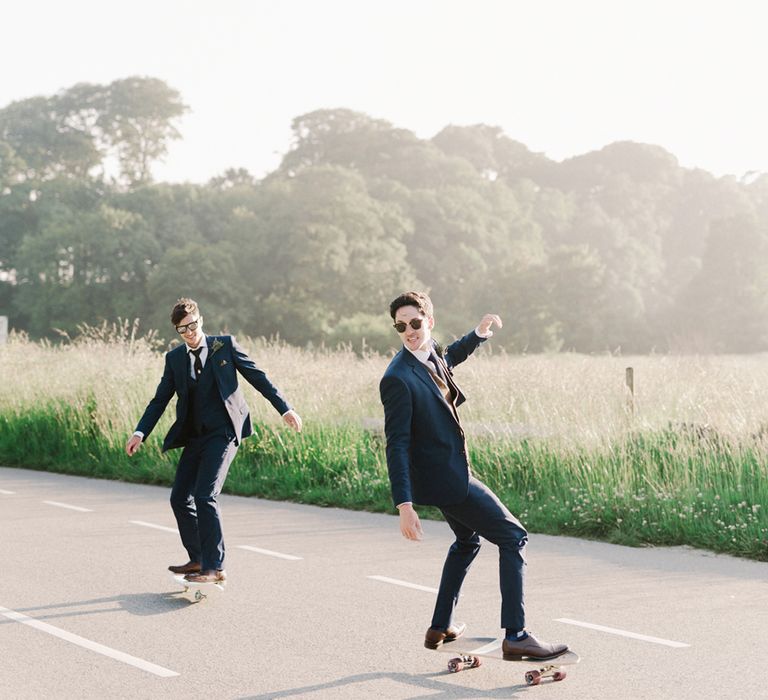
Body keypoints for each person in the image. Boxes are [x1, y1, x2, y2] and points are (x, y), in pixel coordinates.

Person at [379, 291, 568, 660]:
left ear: (429, 321)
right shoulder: (397, 378)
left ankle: (440, 626)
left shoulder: (429, 354)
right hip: (448, 481)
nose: (409, 331)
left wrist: (478, 334)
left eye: (415, 323)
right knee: (513, 537)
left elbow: (448, 359)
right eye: (401, 326)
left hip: (449, 472)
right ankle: (516, 635)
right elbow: (396, 444)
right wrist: (404, 504)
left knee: (467, 542)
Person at [126, 298, 302, 583]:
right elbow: (160, 400)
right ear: (177, 331)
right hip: (195, 435)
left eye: (193, 325)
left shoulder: (225, 346)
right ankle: (197, 558)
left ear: (201, 320)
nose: (190, 333)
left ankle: (214, 567)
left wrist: (285, 408)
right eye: (182, 329)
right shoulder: (174, 359)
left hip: (224, 432)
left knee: (205, 495)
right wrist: (139, 432)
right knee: (180, 497)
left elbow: (259, 378)